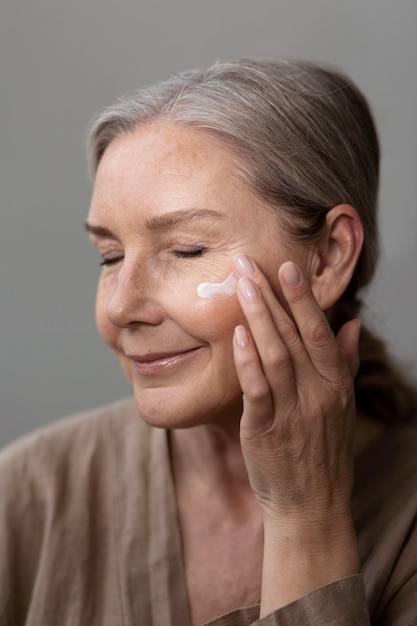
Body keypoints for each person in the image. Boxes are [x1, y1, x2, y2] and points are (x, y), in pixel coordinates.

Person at [1, 58, 417, 626]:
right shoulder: (23, 498)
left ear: (328, 256)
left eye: (187, 250)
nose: (121, 306)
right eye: (109, 256)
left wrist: (305, 519)